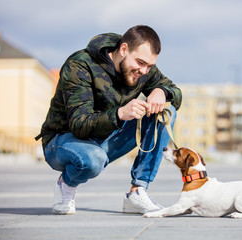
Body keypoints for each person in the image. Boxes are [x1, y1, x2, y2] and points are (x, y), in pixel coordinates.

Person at [35, 25, 182, 215]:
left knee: (166, 112)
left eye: (150, 66)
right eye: (140, 62)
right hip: (63, 142)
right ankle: (66, 184)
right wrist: (120, 114)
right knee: (93, 159)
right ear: (123, 49)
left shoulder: (142, 69)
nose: (144, 71)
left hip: (104, 139)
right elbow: (79, 125)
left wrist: (161, 91)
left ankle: (137, 192)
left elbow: (175, 92)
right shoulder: (80, 65)